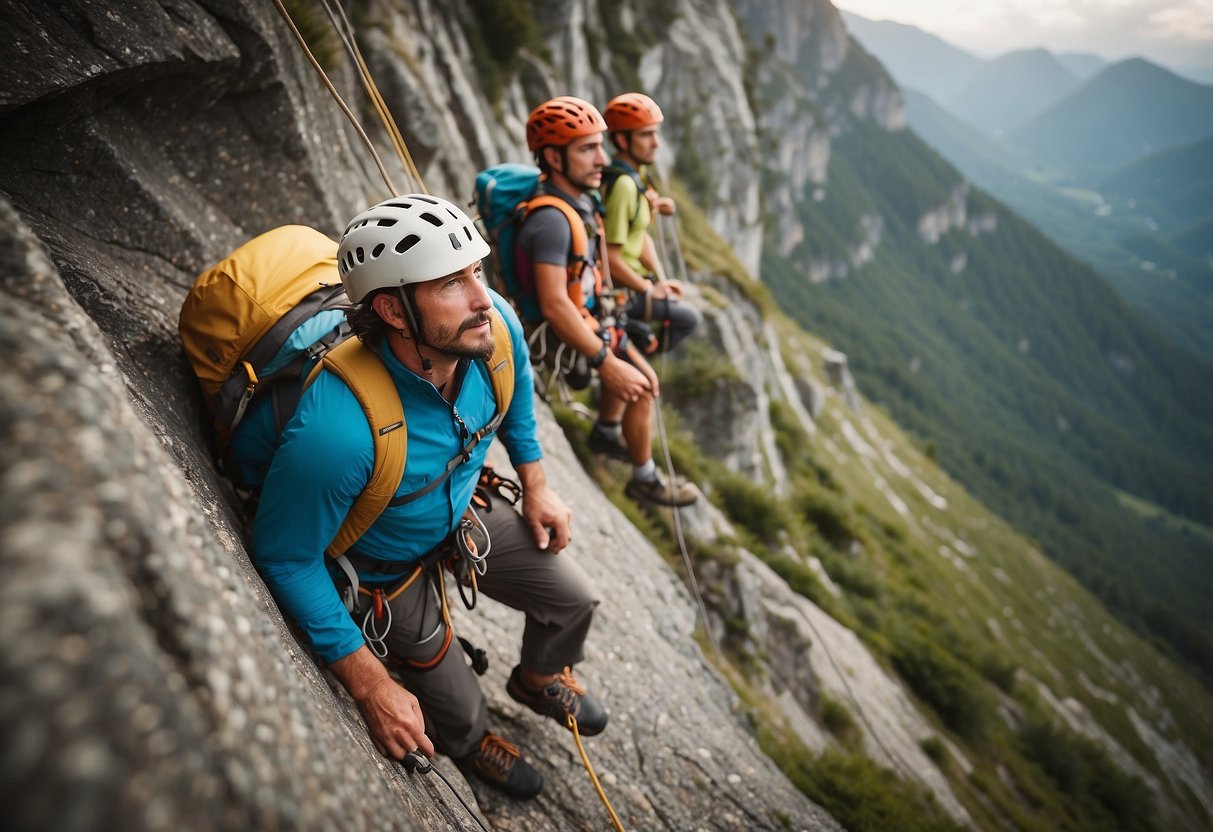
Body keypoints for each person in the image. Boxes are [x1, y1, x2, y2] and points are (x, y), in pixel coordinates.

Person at [249, 194, 607, 800]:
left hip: (455, 509)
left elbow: (514, 403)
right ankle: (469, 743)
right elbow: (285, 555)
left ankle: (537, 675)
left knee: (574, 601)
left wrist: (539, 486)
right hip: (380, 568)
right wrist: (369, 683)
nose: (480, 299)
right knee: (461, 712)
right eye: (450, 283)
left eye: (475, 272)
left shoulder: (491, 328)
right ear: (391, 308)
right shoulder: (340, 431)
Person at [518, 95, 697, 507]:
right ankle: (644, 478)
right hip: (567, 328)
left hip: (595, 314)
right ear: (554, 157)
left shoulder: (580, 202)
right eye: (588, 149)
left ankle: (610, 437)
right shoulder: (551, 221)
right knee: (643, 386)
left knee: (644, 381)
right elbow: (554, 304)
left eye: (601, 146)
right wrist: (606, 362)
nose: (602, 158)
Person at [601, 92, 700, 357]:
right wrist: (648, 289)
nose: (656, 143)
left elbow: (639, 234)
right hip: (620, 290)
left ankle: (630, 353)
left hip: (632, 285)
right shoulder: (624, 185)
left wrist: (661, 280)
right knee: (688, 319)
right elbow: (610, 259)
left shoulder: (637, 177)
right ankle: (634, 353)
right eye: (646, 135)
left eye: (655, 133)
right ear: (622, 140)